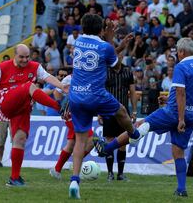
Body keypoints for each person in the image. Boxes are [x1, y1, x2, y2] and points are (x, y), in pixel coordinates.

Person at [94, 38, 193, 197]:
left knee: (139, 126)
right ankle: (181, 189)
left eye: (178, 52)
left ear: (182, 52)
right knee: (178, 152)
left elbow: (181, 93)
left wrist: (179, 117)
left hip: (174, 113)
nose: (177, 55)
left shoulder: (182, 66)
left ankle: (106, 149)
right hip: (191, 114)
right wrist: (171, 100)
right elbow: (191, 94)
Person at [68, 14, 140, 199]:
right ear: (101, 29)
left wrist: (111, 41)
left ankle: (75, 180)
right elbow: (116, 67)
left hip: (76, 95)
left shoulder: (78, 42)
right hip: (95, 94)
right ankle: (134, 134)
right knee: (122, 111)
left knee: (80, 140)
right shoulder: (104, 46)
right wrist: (111, 40)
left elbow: (104, 55)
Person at [0, 44, 67, 186]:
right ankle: (58, 107)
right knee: (30, 86)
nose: (25, 60)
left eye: (27, 57)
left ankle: (14, 178)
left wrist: (62, 86)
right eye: (21, 57)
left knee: (20, 140)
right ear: (15, 55)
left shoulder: (35, 66)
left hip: (23, 108)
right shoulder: (2, 68)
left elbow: (47, 77)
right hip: (7, 104)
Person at [98, 52, 137, 182]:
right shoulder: (105, 71)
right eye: (115, 55)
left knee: (123, 143)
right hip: (108, 112)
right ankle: (110, 173)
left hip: (123, 113)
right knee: (109, 140)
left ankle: (120, 174)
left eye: (120, 55)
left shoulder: (127, 71)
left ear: (122, 57)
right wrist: (99, 112)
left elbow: (132, 92)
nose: (118, 57)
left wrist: (134, 111)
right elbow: (100, 91)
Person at [49, 74, 94, 179]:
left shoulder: (91, 77)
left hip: (82, 113)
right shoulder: (70, 77)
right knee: (92, 140)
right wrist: (60, 104)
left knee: (71, 143)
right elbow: (57, 92)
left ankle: (57, 170)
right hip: (71, 114)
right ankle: (75, 163)